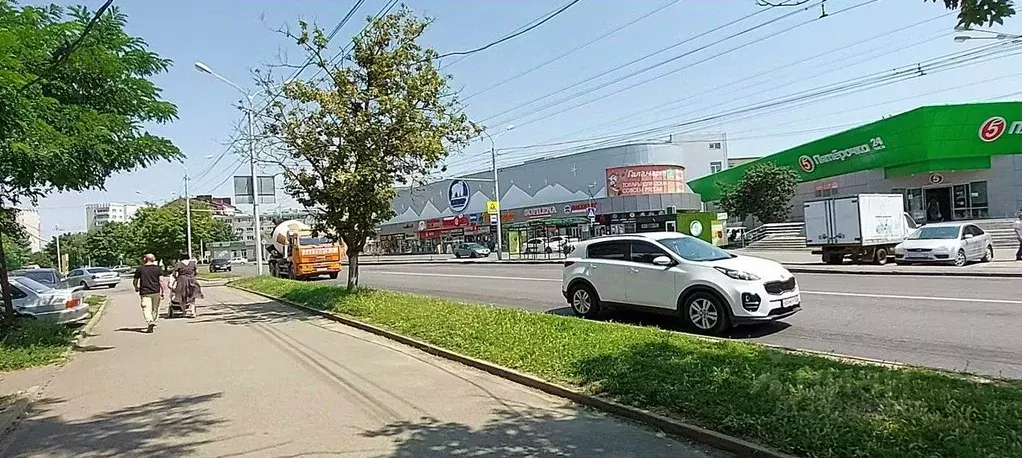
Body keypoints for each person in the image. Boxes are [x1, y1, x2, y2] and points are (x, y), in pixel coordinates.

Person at [132, 254, 164, 333]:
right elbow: (161, 281)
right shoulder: (158, 269)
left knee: (146, 307)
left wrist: (136, 287)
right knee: (155, 308)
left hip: (145, 292)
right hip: (156, 291)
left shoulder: (140, 269)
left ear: (145, 259)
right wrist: (162, 291)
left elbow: (135, 280)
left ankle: (150, 321)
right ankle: (153, 320)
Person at [172, 252, 203, 318]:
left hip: (182, 280)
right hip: (192, 279)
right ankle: (193, 312)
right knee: (192, 296)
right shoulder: (193, 263)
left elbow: (174, 274)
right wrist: (193, 276)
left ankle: (184, 312)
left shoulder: (178, 264)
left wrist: (177, 278)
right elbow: (197, 271)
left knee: (182, 296)